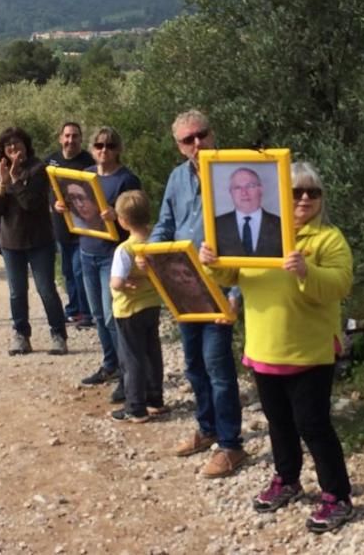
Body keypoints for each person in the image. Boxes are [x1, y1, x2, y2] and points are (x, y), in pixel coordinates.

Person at [200, 161, 356, 533]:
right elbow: (232, 273)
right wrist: (212, 263)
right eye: (295, 192)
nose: (304, 198)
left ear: (321, 198)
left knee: (313, 425)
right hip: (264, 346)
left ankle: (337, 495)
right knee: (278, 421)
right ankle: (287, 479)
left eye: (312, 192)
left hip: (310, 350)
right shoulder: (258, 232)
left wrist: (306, 271)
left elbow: (340, 285)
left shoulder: (328, 239)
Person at [148, 109, 246, 479]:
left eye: (201, 135)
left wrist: (238, 291)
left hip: (221, 285)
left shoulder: (234, 176)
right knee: (193, 364)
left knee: (219, 367)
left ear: (212, 133)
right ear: (178, 146)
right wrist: (151, 255)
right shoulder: (177, 178)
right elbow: (166, 223)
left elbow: (248, 234)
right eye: (188, 140)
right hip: (183, 286)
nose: (197, 144)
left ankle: (231, 445)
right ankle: (207, 429)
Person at [57, 127, 140, 403]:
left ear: (118, 149)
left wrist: (118, 215)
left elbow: (137, 217)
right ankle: (110, 365)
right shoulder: (86, 175)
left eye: (110, 145)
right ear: (92, 148)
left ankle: (129, 376)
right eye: (99, 145)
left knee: (111, 316)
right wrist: (62, 207)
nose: (104, 150)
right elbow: (75, 206)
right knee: (95, 313)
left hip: (113, 255)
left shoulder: (127, 179)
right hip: (87, 250)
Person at [0, 127, 69, 356]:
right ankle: (21, 335)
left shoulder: (39, 169)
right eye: (8, 146)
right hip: (11, 242)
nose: (13, 149)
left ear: (26, 146)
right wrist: (2, 184)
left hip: (39, 240)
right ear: (3, 151)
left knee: (46, 289)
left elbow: (30, 203)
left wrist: (14, 180)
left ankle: (58, 334)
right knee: (17, 292)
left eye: (17, 144)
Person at [109, 190, 166, 423]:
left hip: (128, 308)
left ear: (122, 220)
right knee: (152, 351)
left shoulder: (125, 249)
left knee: (131, 357)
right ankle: (155, 399)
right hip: (152, 303)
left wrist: (120, 283)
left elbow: (117, 281)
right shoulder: (156, 241)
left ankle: (135, 406)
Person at [44, 122, 95, 327]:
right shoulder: (50, 161)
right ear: (60, 138)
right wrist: (52, 204)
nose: (70, 140)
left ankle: (86, 312)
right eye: (67, 136)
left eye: (75, 136)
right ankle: (73, 309)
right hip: (60, 226)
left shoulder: (89, 161)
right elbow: (45, 190)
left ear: (81, 139)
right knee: (67, 270)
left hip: (84, 226)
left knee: (79, 269)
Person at [214, 167, 283, 257]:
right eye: (237, 188)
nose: (244, 193)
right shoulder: (216, 225)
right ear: (231, 192)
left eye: (250, 186)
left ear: (261, 189)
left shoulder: (281, 224)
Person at [149, 252, 219, 315]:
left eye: (188, 274)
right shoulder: (180, 310)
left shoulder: (216, 304)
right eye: (176, 274)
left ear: (197, 278)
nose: (184, 279)